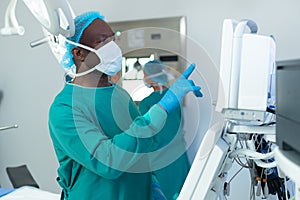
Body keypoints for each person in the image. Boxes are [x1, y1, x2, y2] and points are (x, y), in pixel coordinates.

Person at [48, 11, 202, 200]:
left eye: (113, 40)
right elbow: (108, 161)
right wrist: (161, 109)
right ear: (79, 53)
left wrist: (152, 185)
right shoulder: (64, 108)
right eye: (103, 41)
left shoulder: (119, 94)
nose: (112, 47)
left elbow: (141, 148)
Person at [140, 60, 191, 200]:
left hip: (159, 160)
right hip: (179, 156)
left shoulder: (146, 103)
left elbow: (146, 135)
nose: (144, 78)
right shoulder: (176, 98)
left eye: (145, 74)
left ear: (152, 76)